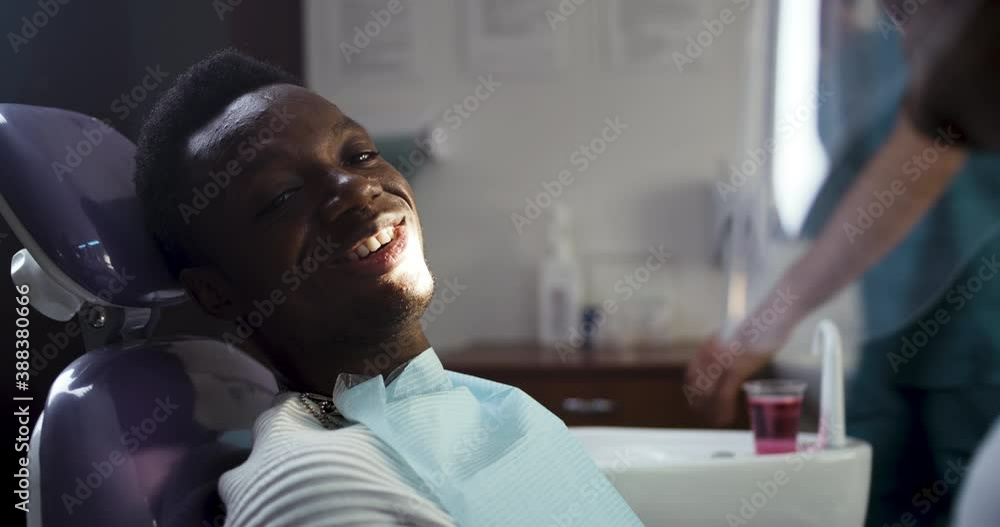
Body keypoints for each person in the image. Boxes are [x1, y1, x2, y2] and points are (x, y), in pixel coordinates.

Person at [134, 49, 641, 527]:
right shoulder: (316, 487)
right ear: (216, 291)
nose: (357, 188)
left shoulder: (481, 403)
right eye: (283, 195)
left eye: (359, 155)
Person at [687, 1, 1000, 526]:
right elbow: (886, 179)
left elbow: (916, 171)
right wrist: (762, 326)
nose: (901, 30)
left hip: (978, 342)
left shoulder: (968, 44)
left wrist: (766, 324)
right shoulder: (880, 58)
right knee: (868, 495)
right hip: (893, 340)